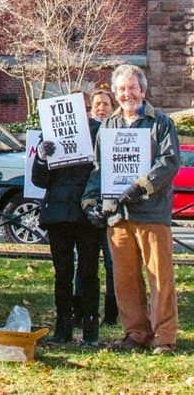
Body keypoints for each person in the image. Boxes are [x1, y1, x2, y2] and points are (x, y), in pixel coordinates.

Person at [82, 64, 179, 355]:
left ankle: (164, 338)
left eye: (132, 88)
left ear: (143, 90)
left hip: (151, 213)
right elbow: (99, 169)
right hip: (118, 216)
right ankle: (136, 333)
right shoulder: (108, 126)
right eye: (121, 89)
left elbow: (169, 164)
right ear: (115, 92)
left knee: (160, 278)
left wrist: (138, 187)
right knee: (125, 280)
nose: (127, 94)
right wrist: (89, 202)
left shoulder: (160, 122)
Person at [33, 115, 103, 346]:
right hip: (59, 214)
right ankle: (63, 326)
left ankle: (90, 326)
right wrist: (42, 157)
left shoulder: (98, 132)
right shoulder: (51, 134)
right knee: (62, 273)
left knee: (88, 271)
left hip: (85, 212)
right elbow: (39, 180)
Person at [86, 85, 118, 326]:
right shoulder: (83, 132)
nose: (101, 108)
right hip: (87, 205)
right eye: (97, 104)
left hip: (113, 207)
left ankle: (112, 312)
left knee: (112, 262)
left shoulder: (119, 129)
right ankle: (83, 310)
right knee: (85, 263)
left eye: (106, 104)